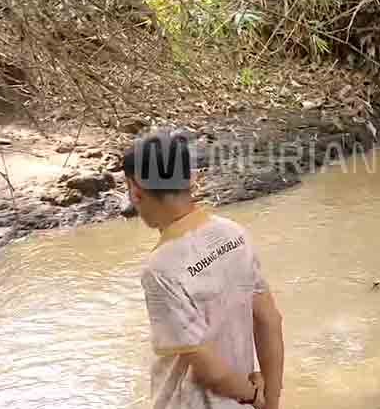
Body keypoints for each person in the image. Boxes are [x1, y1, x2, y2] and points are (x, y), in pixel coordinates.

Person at [122, 130, 285, 409]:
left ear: (135, 191)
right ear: (193, 178)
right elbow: (270, 320)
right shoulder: (233, 234)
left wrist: (253, 397)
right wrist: (269, 400)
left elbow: (210, 370)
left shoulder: (160, 269)